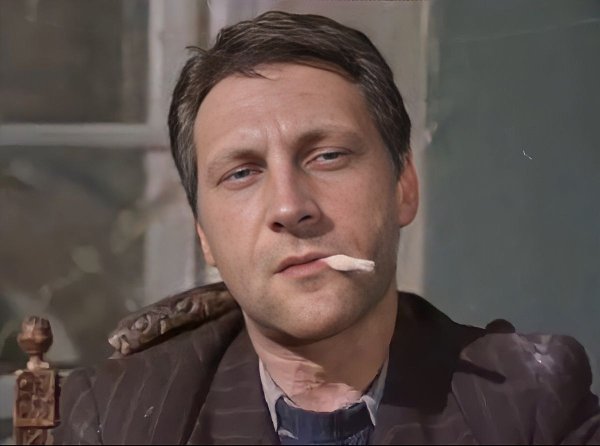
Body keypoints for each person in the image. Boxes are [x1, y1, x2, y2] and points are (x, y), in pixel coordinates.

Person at [54, 11, 600, 445]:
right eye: (242, 173)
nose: (290, 207)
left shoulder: (529, 402)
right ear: (204, 234)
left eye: (328, 156)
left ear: (404, 186)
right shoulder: (118, 418)